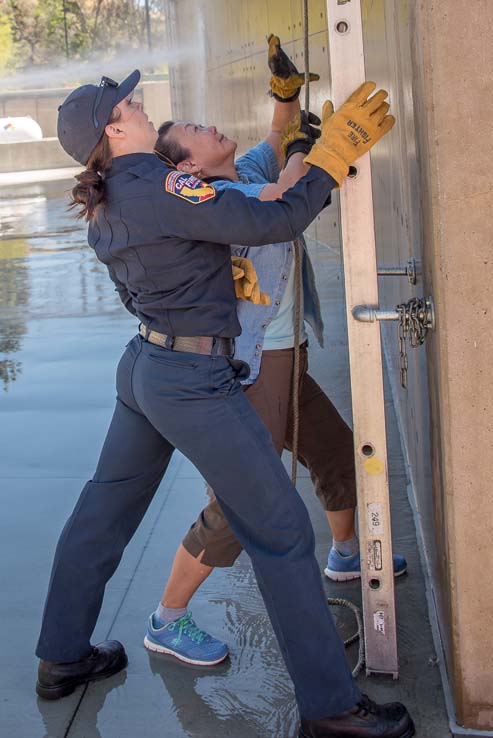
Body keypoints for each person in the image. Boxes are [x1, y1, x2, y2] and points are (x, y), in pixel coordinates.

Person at [35, 67, 414, 738]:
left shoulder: (113, 198)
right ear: (114, 130)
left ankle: (62, 658)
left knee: (102, 512)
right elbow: (276, 219)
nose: (144, 106)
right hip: (190, 378)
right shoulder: (160, 186)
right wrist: (328, 159)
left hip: (147, 365)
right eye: (130, 103)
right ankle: (331, 709)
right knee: (281, 532)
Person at [145, 35, 406, 666]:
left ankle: (345, 554)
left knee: (337, 453)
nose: (210, 124)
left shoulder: (244, 172)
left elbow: (279, 146)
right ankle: (167, 617)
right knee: (239, 505)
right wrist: (313, 149)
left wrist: (285, 100)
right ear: (189, 169)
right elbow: (288, 196)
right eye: (196, 130)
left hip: (288, 360)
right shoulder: (219, 203)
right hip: (255, 369)